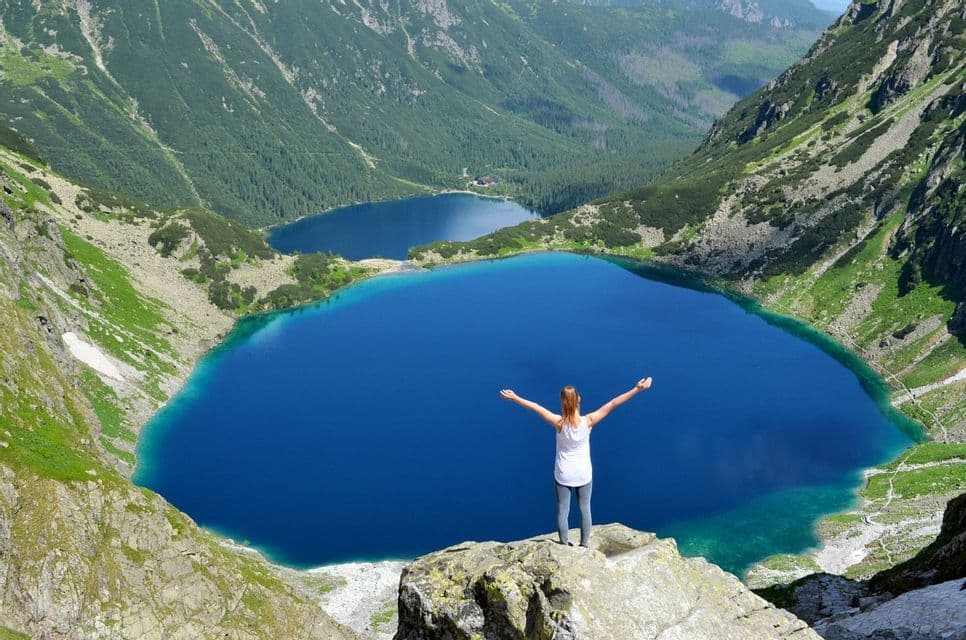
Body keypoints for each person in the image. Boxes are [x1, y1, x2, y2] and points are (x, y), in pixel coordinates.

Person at [500, 378, 653, 547]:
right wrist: (637, 389)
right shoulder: (589, 421)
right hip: (583, 473)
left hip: (564, 473)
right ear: (578, 399)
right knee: (585, 509)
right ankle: (584, 545)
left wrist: (515, 397)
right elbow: (613, 403)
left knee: (562, 511)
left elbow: (536, 407)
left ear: (562, 402)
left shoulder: (558, 423)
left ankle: (564, 544)